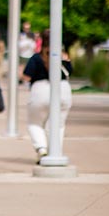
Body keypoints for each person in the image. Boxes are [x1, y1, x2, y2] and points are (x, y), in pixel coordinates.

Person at [22, 29, 73, 163]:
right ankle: (55, 151)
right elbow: (70, 71)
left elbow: (26, 76)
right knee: (58, 124)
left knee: (35, 123)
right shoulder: (63, 56)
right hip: (63, 89)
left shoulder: (36, 58)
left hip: (40, 90)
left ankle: (41, 148)